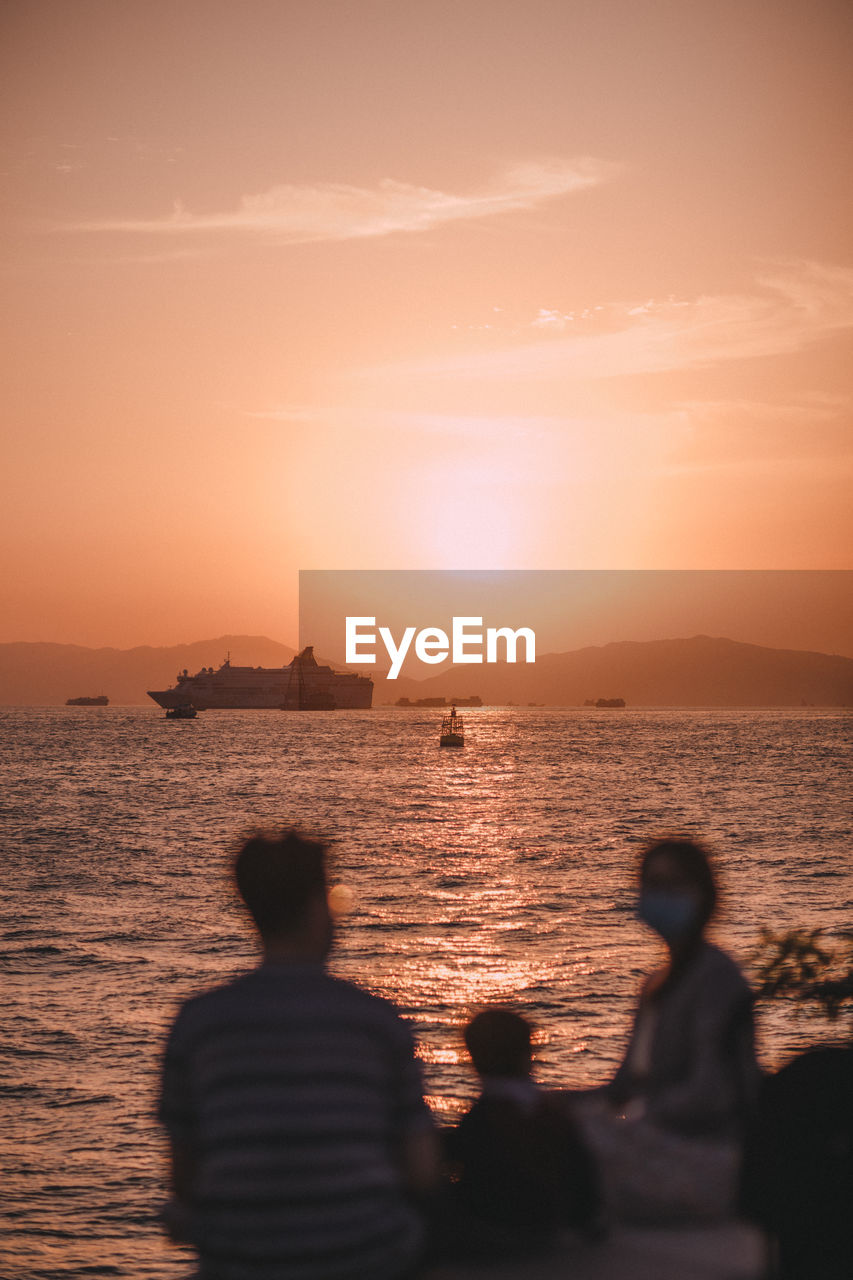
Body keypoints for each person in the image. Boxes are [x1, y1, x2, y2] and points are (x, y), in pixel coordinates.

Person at [157, 829, 439, 1280]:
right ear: (314, 908)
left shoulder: (197, 1024)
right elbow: (421, 1171)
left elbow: (187, 1184)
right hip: (367, 1257)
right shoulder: (376, 1021)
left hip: (240, 1262)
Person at [574, 837, 761, 1221]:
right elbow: (622, 1086)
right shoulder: (654, 986)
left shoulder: (717, 978)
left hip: (709, 1156)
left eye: (671, 886)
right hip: (655, 1141)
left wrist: (638, 1122)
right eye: (651, 885)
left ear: (703, 896)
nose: (658, 896)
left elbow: (711, 1094)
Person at [440, 1009, 603, 1258]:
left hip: (497, 1231)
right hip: (552, 1225)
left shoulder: (480, 1119)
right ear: (529, 1054)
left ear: (472, 1060)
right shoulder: (554, 1114)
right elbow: (583, 1175)